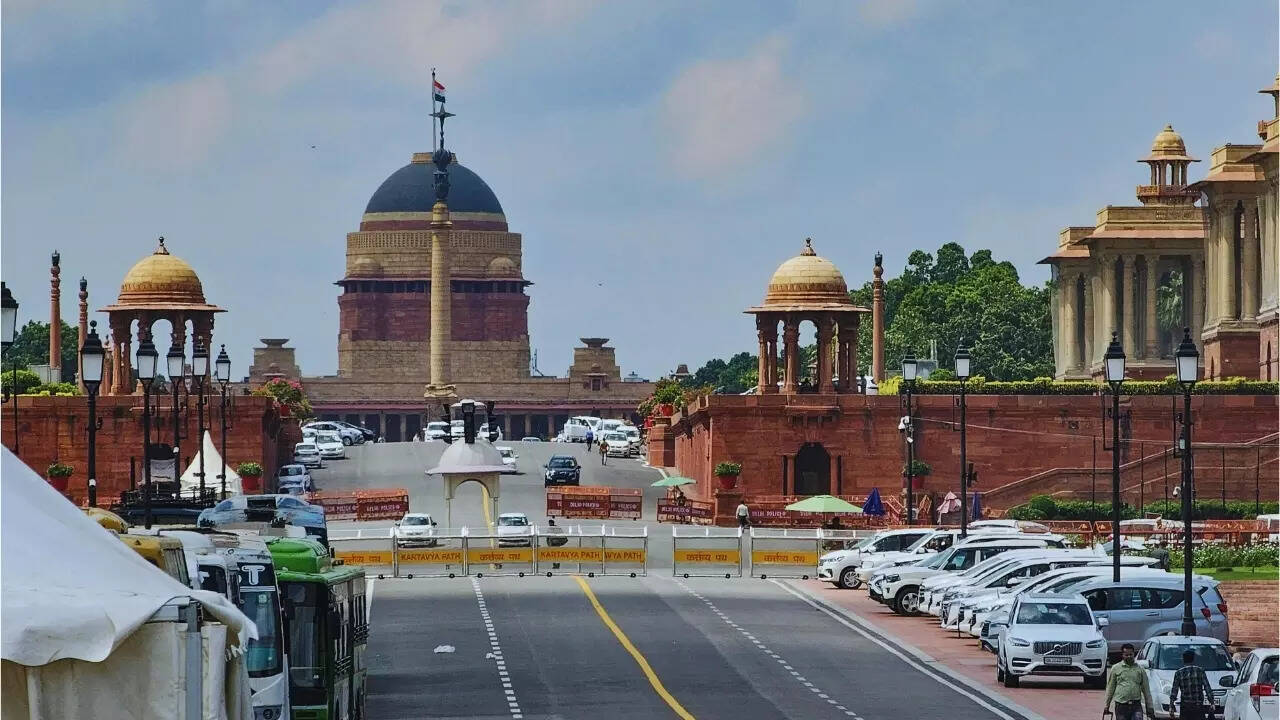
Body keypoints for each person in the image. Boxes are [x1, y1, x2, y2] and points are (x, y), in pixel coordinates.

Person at [1103, 643, 1154, 720]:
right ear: (1122, 655)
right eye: (1126, 655)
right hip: (1121, 706)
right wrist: (1107, 705)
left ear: (1134, 654)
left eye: (1131, 654)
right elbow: (1110, 688)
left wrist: (1150, 707)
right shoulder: (1116, 668)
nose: (1129, 657)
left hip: (1136, 706)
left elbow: (1146, 690)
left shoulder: (1140, 669)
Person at [1169, 648, 1214, 720]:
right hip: (1198, 706)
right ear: (1193, 659)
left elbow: (1174, 691)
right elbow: (1207, 687)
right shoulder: (1200, 671)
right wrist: (1212, 702)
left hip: (1185, 708)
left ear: (1183, 660)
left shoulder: (1179, 673)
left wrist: (1171, 706)